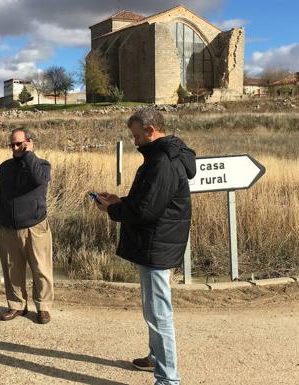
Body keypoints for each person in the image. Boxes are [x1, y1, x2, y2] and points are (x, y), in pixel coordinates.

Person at [94, 107, 196, 385]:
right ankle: (155, 359)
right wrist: (120, 201)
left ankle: (168, 379)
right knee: (153, 310)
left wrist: (112, 211)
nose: (135, 141)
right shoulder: (163, 157)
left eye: (137, 136)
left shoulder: (162, 161)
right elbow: (148, 200)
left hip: (157, 245)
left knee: (158, 314)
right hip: (157, 242)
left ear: (151, 131)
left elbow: (147, 211)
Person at [0, 128, 53, 324]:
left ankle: (43, 308)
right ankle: (17, 305)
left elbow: (38, 179)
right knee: (12, 270)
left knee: (41, 269)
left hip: (35, 227)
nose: (15, 147)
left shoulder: (42, 165)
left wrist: (28, 154)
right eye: (12, 144)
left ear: (29, 142)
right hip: (8, 228)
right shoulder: (4, 167)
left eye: (19, 143)